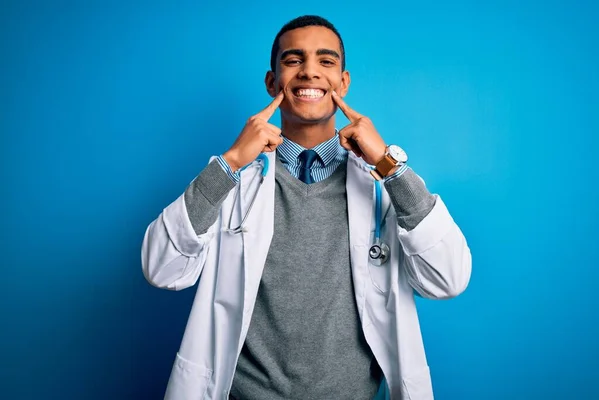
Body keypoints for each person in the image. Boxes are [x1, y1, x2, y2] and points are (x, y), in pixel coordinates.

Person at [141, 14, 471, 400]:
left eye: (326, 61)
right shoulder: (236, 184)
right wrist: (229, 163)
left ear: (343, 82)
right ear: (272, 81)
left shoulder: (382, 186)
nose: (309, 72)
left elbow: (448, 278)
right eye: (293, 60)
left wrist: (389, 166)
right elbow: (162, 269)